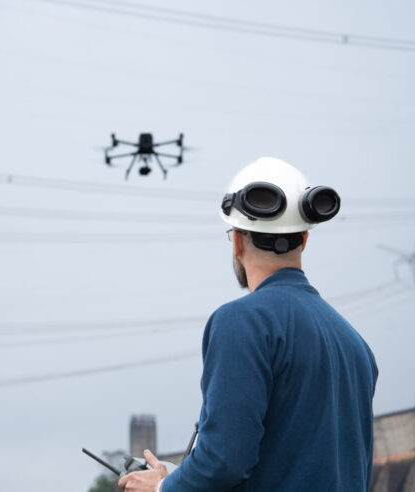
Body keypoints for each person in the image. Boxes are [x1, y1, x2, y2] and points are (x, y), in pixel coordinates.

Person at [118, 157, 378, 492]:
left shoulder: (241, 322)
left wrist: (160, 489)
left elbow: (223, 463)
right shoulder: (354, 343)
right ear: (304, 240)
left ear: (238, 240)